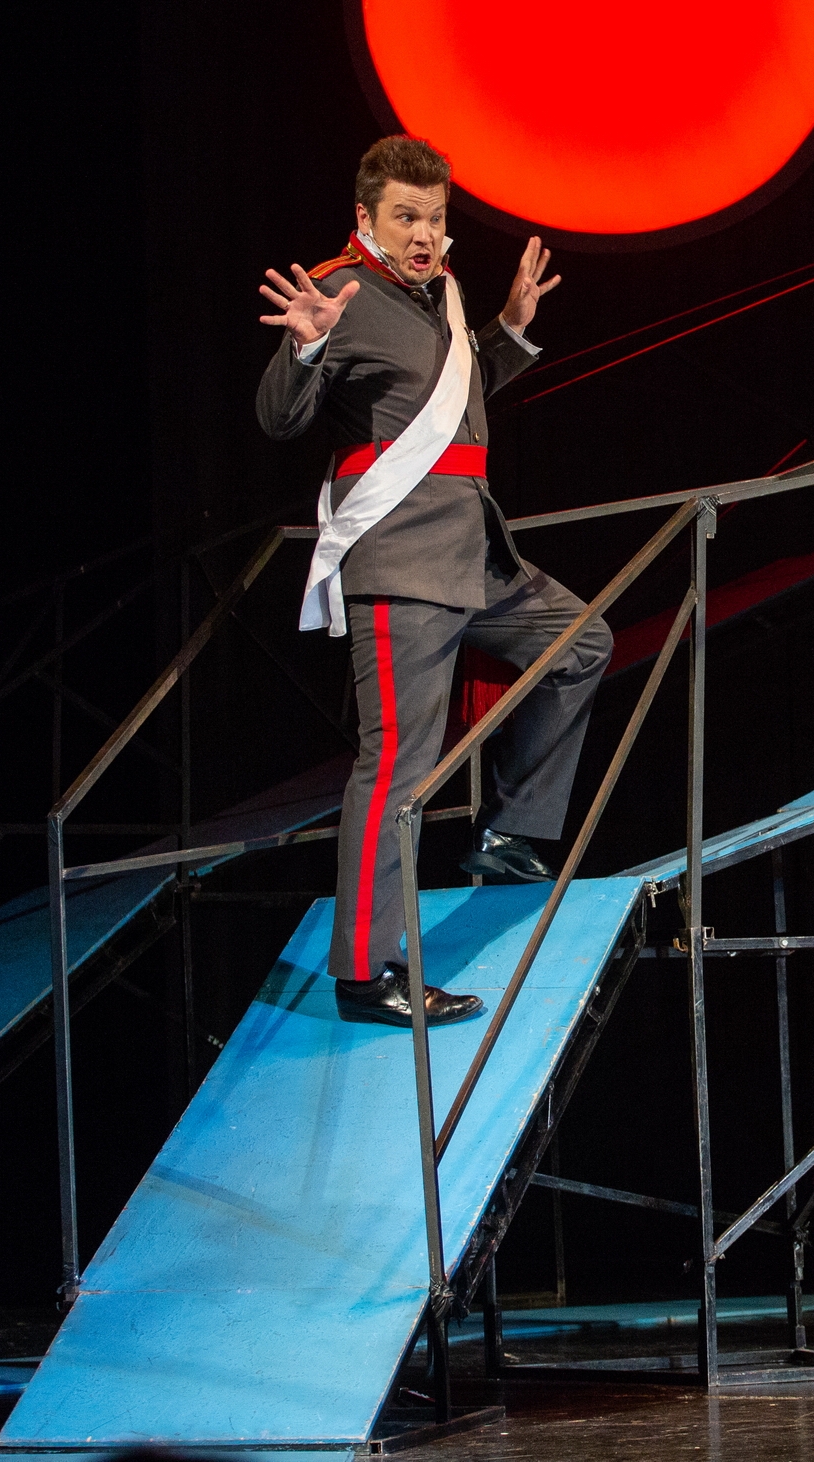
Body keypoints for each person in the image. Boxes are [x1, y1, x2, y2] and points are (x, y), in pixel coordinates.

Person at [254, 135, 612, 1027]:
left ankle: (512, 832)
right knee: (395, 770)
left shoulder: (440, 292)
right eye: (407, 217)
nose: (424, 234)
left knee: (581, 644)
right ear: (366, 217)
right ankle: (365, 972)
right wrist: (305, 348)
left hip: (474, 556)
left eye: (436, 218)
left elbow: (452, 394)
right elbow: (278, 418)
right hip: (401, 565)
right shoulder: (340, 292)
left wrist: (511, 329)